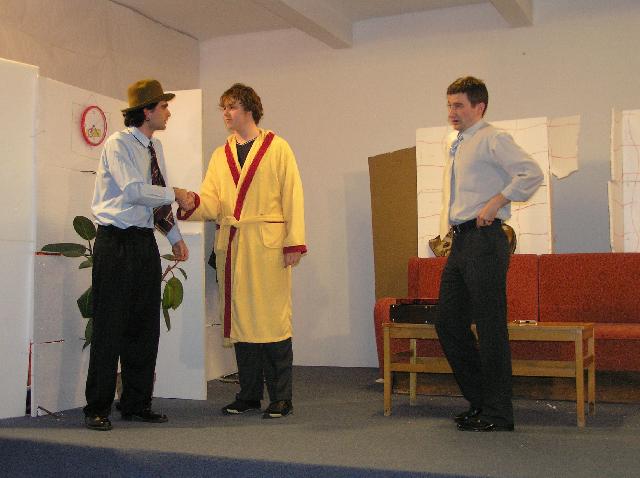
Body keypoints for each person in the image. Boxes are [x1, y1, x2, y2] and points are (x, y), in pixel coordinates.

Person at [178, 83, 306, 419]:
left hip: (268, 247)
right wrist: (192, 203)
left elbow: (292, 196)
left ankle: (281, 397)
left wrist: (293, 242)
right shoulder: (220, 155)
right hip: (234, 248)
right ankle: (249, 394)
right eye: (223, 107)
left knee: (274, 321)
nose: (226, 113)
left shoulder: (278, 148)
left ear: (249, 109)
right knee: (241, 321)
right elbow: (213, 201)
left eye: (232, 106)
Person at [83, 79, 195, 431]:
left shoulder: (154, 147)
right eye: (163, 106)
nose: (168, 112)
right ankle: (97, 407)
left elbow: (154, 199)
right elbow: (134, 191)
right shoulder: (118, 144)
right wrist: (176, 193)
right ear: (146, 111)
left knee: (145, 326)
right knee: (109, 326)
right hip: (115, 242)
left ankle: (136, 404)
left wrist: (175, 237)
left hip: (144, 242)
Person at [435, 76, 543, 432]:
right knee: (448, 322)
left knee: (490, 326)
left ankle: (498, 413)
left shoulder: (492, 138)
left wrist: (498, 200)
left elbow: (531, 173)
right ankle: (481, 402)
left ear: (478, 107)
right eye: (449, 105)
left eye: (459, 105)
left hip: (485, 241)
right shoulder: (459, 143)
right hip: (462, 242)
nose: (452, 112)